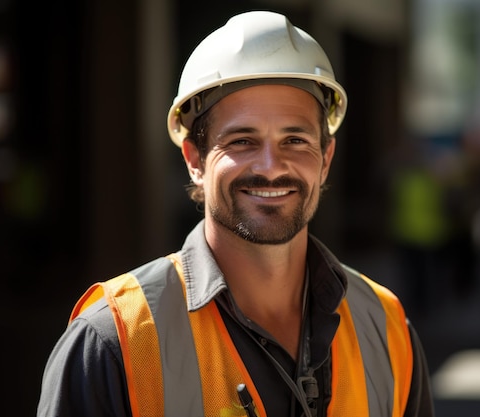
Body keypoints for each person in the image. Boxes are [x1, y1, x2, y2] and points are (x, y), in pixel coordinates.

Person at [37, 10, 434, 417]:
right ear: (195, 158)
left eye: (295, 140)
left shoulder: (384, 327)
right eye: (243, 140)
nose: (271, 165)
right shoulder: (114, 340)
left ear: (326, 158)